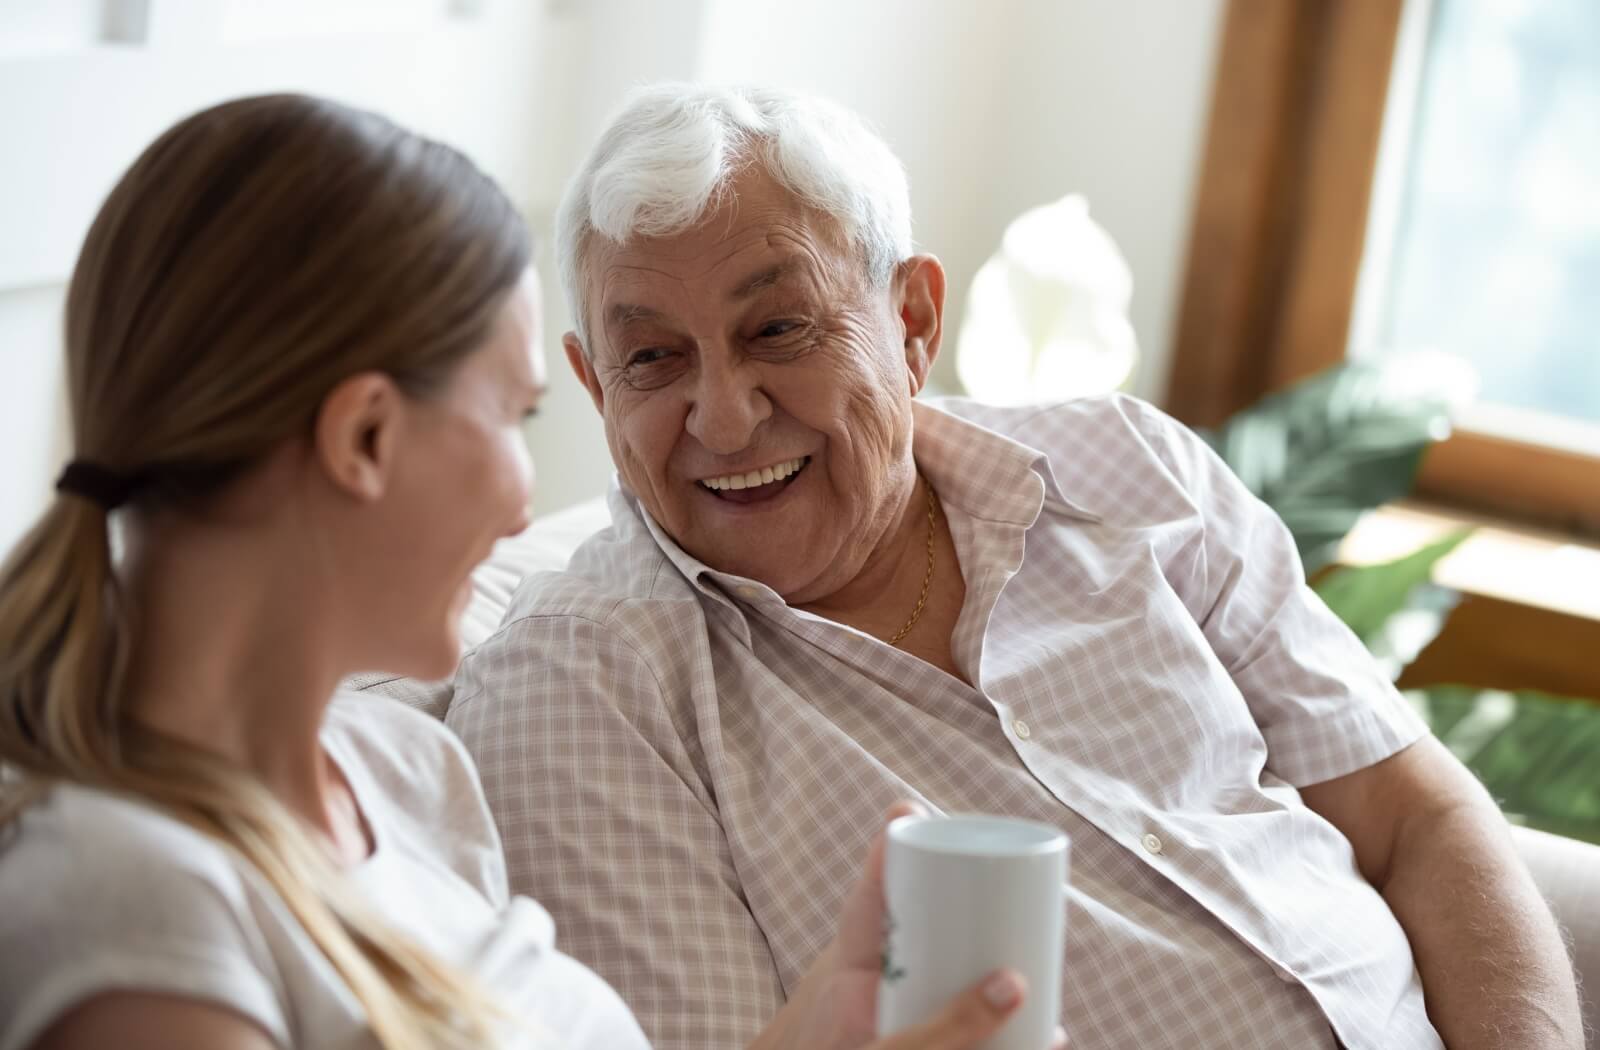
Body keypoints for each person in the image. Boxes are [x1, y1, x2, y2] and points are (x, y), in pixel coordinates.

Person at [450, 82, 1584, 1050]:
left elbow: (1415, 816)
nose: (726, 417)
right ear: (596, 388)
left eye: (779, 330)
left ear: (911, 319)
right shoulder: (581, 688)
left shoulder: (1129, 470)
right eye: (652, 358)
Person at [0, 94, 1061, 1050]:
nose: (524, 504)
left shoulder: (401, 777)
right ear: (363, 440)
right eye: (518, 416)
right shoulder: (138, 905)